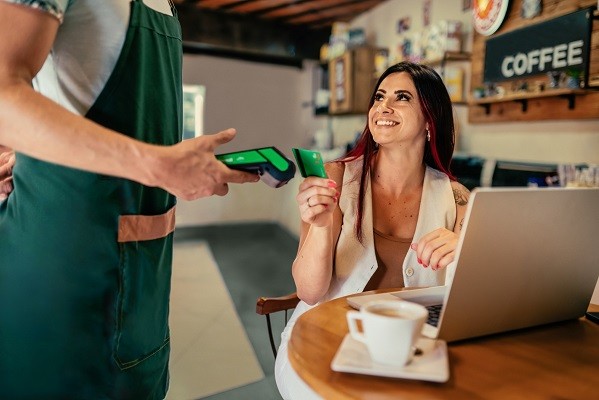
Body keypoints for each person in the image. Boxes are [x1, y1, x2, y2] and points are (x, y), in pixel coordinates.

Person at [0, 1, 259, 399]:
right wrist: (159, 165)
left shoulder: (167, 5)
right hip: (60, 267)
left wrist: (169, 158)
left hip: (141, 281)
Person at [274, 61, 471, 399]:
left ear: (430, 119)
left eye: (402, 97)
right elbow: (309, 290)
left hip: (407, 351)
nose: (384, 106)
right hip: (323, 340)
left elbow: (470, 299)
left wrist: (464, 251)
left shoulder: (456, 197)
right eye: (379, 96)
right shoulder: (335, 177)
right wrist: (321, 227)